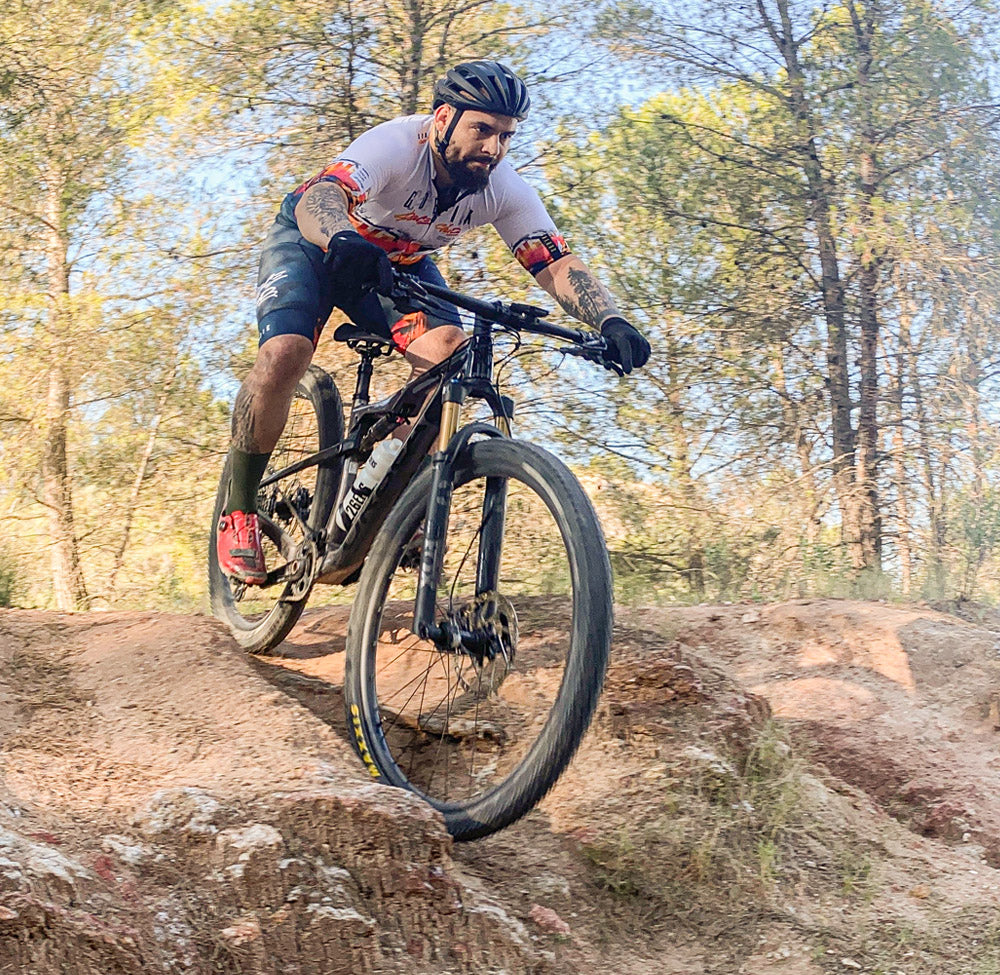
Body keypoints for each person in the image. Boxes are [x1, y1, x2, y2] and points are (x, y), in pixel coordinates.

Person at [217, 60, 651, 584]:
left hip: (395, 267)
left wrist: (611, 320)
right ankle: (237, 511)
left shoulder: (502, 188)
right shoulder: (395, 147)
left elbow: (554, 261)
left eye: (505, 135)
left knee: (450, 353)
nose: (493, 148)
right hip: (316, 244)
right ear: (443, 117)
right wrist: (339, 237)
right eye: (482, 129)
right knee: (285, 353)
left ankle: (379, 489)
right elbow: (321, 198)